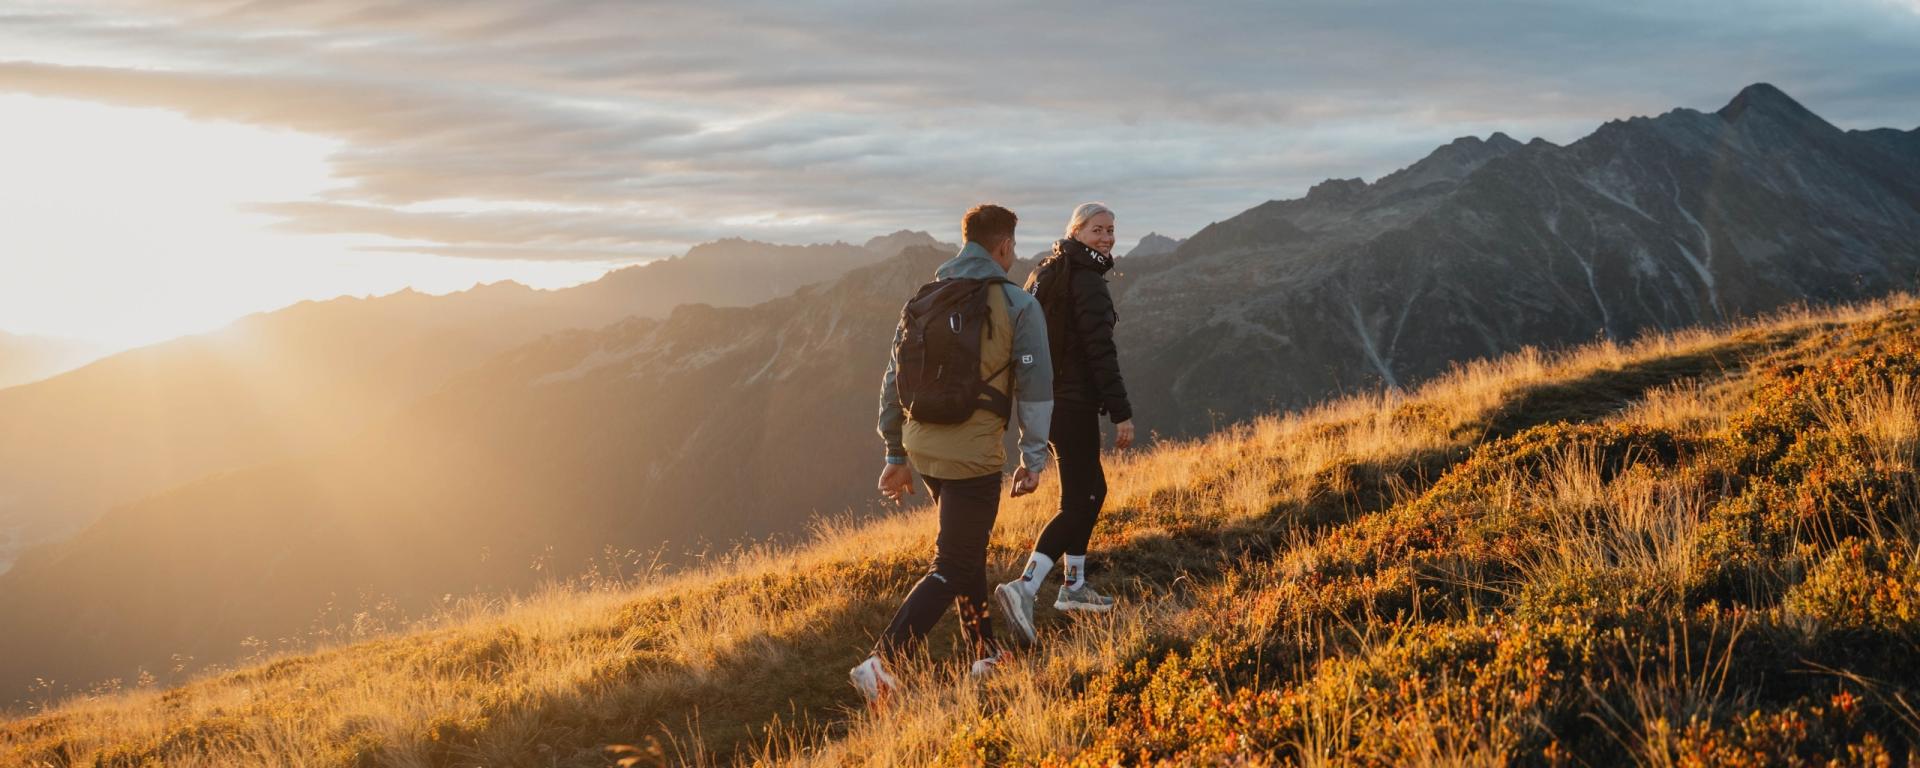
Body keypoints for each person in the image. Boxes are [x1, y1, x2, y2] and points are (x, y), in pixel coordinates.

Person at [849, 203, 1054, 703]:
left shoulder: (924, 298)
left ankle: (985, 653)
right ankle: (882, 662)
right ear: (1003, 245)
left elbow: (892, 382)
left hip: (925, 447)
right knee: (953, 561)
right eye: (1012, 247)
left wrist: (895, 453)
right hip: (972, 454)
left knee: (967, 550)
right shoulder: (1018, 304)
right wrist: (1033, 458)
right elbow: (1035, 389)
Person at [994, 202, 1135, 647]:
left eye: (1110, 230)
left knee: (1089, 491)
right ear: (1076, 231)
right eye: (1097, 230)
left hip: (1046, 400)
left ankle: (1075, 586)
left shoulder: (1048, 270)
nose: (1107, 238)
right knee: (1081, 499)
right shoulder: (1086, 280)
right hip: (1072, 403)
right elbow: (1100, 352)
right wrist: (1121, 411)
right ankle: (1025, 587)